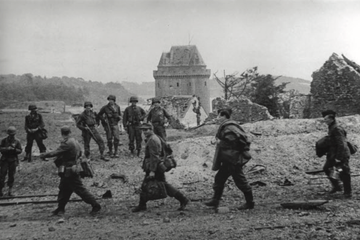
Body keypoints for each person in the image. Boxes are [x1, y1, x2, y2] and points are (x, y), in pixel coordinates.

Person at [40, 126, 101, 216]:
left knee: (80, 189)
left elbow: (55, 152)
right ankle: (61, 208)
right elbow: (80, 153)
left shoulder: (67, 143)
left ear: (62, 133)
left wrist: (44, 155)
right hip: (70, 170)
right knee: (64, 189)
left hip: (69, 171)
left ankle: (95, 205)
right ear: (70, 132)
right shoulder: (75, 141)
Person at [132, 123, 189, 212]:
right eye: (143, 130)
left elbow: (155, 157)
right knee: (162, 185)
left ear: (151, 129)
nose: (144, 132)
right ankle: (182, 199)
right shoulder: (153, 138)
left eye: (146, 130)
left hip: (155, 166)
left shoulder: (153, 140)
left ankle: (142, 205)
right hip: (157, 166)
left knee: (147, 185)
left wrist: (152, 171)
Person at [205, 108, 254, 210]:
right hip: (228, 159)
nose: (218, 118)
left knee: (240, 181)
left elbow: (232, 142)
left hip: (233, 159)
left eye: (219, 116)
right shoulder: (230, 126)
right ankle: (215, 200)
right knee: (219, 178)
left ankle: (250, 203)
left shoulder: (229, 127)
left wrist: (219, 143)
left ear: (224, 116)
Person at [321, 110, 352, 198]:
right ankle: (337, 186)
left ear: (331, 119)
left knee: (344, 172)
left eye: (326, 119)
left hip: (341, 154)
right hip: (333, 153)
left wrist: (339, 157)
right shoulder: (331, 127)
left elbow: (341, 144)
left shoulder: (337, 128)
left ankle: (348, 192)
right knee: (327, 168)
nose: (325, 121)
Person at [0, 126, 22, 197]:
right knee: (2, 176)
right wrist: (7, 149)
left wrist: (14, 150)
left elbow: (20, 150)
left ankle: (10, 191)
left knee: (11, 176)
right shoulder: (3, 140)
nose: (12, 136)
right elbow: (0, 149)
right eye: (10, 134)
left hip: (13, 160)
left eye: (13, 134)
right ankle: (0, 190)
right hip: (4, 160)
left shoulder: (17, 141)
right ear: (8, 134)